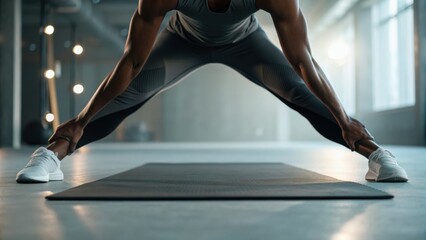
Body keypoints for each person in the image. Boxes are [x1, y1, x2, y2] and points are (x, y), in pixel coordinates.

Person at [16, 0, 408, 183]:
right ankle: (51, 154)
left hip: (246, 43)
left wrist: (343, 120)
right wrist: (81, 120)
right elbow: (131, 64)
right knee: (129, 93)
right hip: (181, 42)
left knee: (299, 91)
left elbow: (305, 63)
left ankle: (375, 154)